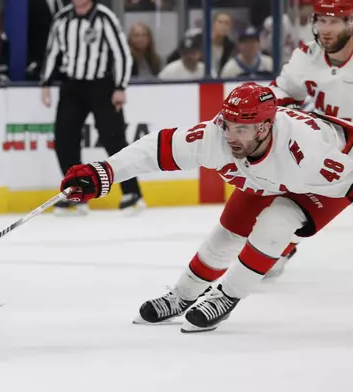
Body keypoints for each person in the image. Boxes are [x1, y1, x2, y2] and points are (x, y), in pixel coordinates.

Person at [58, 82, 353, 333]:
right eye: (228, 125)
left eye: (241, 129)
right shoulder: (216, 137)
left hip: (331, 180)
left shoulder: (307, 155)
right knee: (227, 233)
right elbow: (157, 148)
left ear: (264, 127)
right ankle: (183, 295)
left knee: (276, 223)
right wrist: (104, 171)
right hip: (268, 176)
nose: (230, 137)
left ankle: (227, 296)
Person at [266, 0, 353, 278]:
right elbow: (283, 90)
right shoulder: (307, 54)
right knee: (294, 207)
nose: (325, 29)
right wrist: (265, 108)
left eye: (335, 21)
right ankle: (286, 244)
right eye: (321, 21)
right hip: (325, 148)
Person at [41, 0, 143, 215]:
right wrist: (46, 83)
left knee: (113, 137)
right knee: (64, 140)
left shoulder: (104, 17)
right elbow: (52, 52)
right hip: (72, 86)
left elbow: (122, 54)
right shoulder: (62, 18)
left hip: (101, 86)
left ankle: (132, 193)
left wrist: (120, 86)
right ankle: (77, 193)